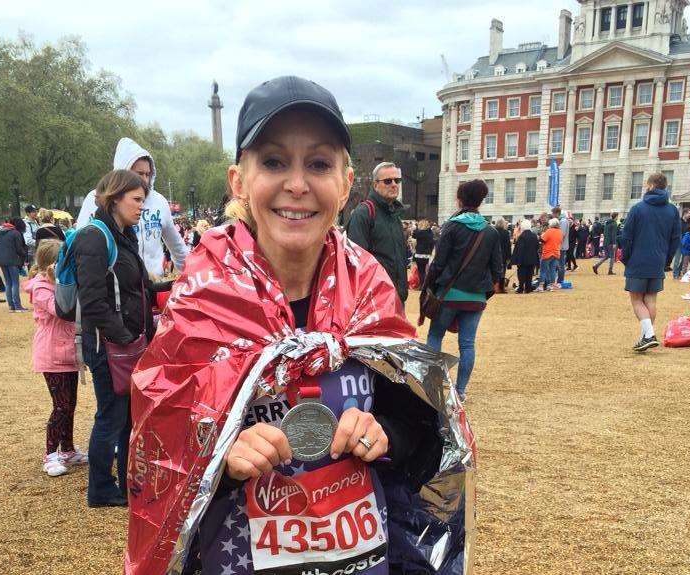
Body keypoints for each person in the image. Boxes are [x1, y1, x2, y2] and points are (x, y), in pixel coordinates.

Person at [125, 76, 471, 575]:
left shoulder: (370, 290)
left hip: (360, 558)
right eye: (273, 161)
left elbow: (424, 431)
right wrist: (219, 455)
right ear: (238, 181)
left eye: (319, 163)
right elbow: (155, 454)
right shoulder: (203, 298)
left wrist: (385, 435)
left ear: (346, 183)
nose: (296, 183)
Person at [74, 170, 158, 507]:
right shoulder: (94, 238)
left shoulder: (124, 234)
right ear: (115, 198)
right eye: (136, 200)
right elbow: (93, 302)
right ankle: (101, 489)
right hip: (108, 346)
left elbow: (139, 286)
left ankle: (125, 483)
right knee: (111, 416)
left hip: (126, 344)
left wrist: (172, 288)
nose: (141, 207)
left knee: (127, 417)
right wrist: (125, 338)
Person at [422, 179, 502, 397]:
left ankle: (432, 385)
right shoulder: (491, 232)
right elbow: (497, 269)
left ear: (459, 200)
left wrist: (429, 284)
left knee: (435, 336)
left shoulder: (452, 226)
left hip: (448, 293)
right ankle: (461, 390)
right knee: (467, 344)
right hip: (476, 297)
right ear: (481, 201)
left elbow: (438, 263)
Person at [77, 137, 188, 278]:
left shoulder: (159, 201)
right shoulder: (96, 198)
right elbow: (80, 245)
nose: (145, 179)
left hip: (153, 284)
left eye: (148, 174)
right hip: (114, 286)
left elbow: (177, 247)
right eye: (139, 173)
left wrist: (191, 276)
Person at [23, 239, 87, 477]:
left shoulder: (59, 282)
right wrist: (59, 282)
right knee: (60, 406)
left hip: (68, 353)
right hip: (51, 354)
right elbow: (61, 309)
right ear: (52, 264)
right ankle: (50, 454)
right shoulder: (40, 287)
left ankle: (68, 449)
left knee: (70, 404)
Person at [620, 173, 680, 352]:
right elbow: (675, 238)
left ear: (651, 185)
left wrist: (626, 258)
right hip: (658, 260)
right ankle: (645, 336)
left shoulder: (638, 208)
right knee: (651, 299)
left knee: (637, 300)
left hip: (638, 260)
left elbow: (626, 237)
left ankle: (648, 335)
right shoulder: (672, 210)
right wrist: (667, 259)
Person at [345, 161, 408, 303]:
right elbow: (355, 261)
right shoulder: (364, 213)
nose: (394, 184)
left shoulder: (395, 215)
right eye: (387, 181)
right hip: (376, 300)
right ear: (375, 185)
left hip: (397, 298)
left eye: (397, 180)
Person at [0, 218, 28, 311]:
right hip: (12, 260)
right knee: (15, 283)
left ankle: (11, 306)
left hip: (0, 260)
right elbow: (19, 249)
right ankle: (17, 305)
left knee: (8, 283)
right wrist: (25, 253)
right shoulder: (15, 233)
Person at [511, 219, 539, 293]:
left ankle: (521, 288)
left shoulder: (521, 236)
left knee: (521, 274)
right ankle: (528, 288)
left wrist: (518, 260)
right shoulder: (534, 235)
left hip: (523, 259)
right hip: (532, 258)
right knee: (530, 274)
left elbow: (520, 249)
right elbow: (537, 246)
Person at [536, 218, 563, 292]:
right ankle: (551, 286)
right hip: (556, 253)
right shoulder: (560, 232)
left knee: (543, 270)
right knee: (552, 270)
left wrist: (541, 235)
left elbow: (542, 240)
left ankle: (541, 286)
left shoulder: (549, 231)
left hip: (547, 252)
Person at [671, 208, 690, 278]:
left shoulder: (688, 222)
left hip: (685, 244)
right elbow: (676, 232)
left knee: (684, 260)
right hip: (679, 243)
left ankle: (678, 272)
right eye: (689, 213)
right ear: (685, 213)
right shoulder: (679, 221)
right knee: (677, 259)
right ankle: (675, 274)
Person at [411, 219, 434, 288]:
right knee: (426, 270)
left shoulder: (419, 233)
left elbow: (413, 234)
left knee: (421, 271)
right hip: (427, 255)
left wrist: (415, 226)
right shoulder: (430, 233)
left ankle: (422, 285)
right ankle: (426, 285)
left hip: (419, 254)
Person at [493, 217, 511, 291]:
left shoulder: (493, 231)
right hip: (503, 255)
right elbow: (508, 245)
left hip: (494, 254)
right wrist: (509, 257)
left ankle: (493, 286)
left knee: (493, 270)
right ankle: (501, 287)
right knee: (502, 271)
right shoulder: (506, 232)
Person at [552, 206, 569, 284]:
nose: (552, 215)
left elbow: (561, 234)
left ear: (557, 213)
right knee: (557, 264)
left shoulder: (563, 221)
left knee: (561, 264)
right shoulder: (560, 221)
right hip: (558, 245)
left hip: (561, 246)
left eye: (553, 213)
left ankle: (560, 280)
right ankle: (557, 280)